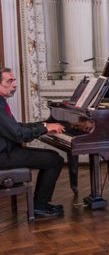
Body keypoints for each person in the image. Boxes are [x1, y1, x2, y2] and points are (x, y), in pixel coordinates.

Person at [0, 67, 66, 219]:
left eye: (14, 80)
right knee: (54, 160)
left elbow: (16, 127)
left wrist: (42, 126)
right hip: (4, 155)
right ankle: (39, 207)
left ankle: (40, 204)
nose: (14, 84)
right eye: (9, 81)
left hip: (7, 151)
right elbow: (18, 134)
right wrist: (44, 128)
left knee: (52, 157)